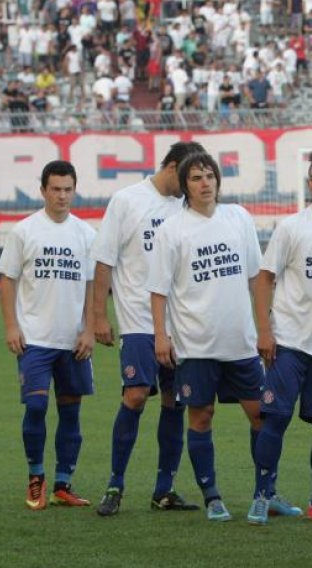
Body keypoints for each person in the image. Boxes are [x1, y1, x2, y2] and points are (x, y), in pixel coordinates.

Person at [146, 153, 265, 522]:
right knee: (201, 417)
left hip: (241, 342)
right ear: (185, 185)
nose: (205, 183)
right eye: (196, 177)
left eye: (210, 175)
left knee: (262, 416)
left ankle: (264, 493)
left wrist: (266, 327)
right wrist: (160, 335)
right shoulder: (172, 230)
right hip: (195, 344)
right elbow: (158, 290)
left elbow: (256, 277)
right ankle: (212, 495)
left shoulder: (239, 218)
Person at [93, 141, 207, 517]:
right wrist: (99, 316)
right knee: (137, 394)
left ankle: (164, 489)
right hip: (140, 321)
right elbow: (104, 260)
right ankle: (115, 484)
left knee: (176, 402)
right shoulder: (127, 201)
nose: (193, 184)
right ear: (172, 167)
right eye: (188, 175)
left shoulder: (186, 207)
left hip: (183, 325)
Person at [248, 146, 312, 525]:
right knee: (274, 418)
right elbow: (264, 279)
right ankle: (262, 494)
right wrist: (264, 330)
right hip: (289, 340)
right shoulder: (292, 227)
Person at [0, 160, 96, 511]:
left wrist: (88, 328)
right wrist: (12, 325)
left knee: (71, 413)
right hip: (35, 339)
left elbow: (91, 287)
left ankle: (63, 485)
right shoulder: (24, 231)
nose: (62, 195)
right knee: (37, 405)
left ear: (75, 189)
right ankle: (36, 477)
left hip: (72, 341)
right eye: (55, 189)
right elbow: (7, 280)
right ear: (43, 191)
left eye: (68, 189)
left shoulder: (86, 234)